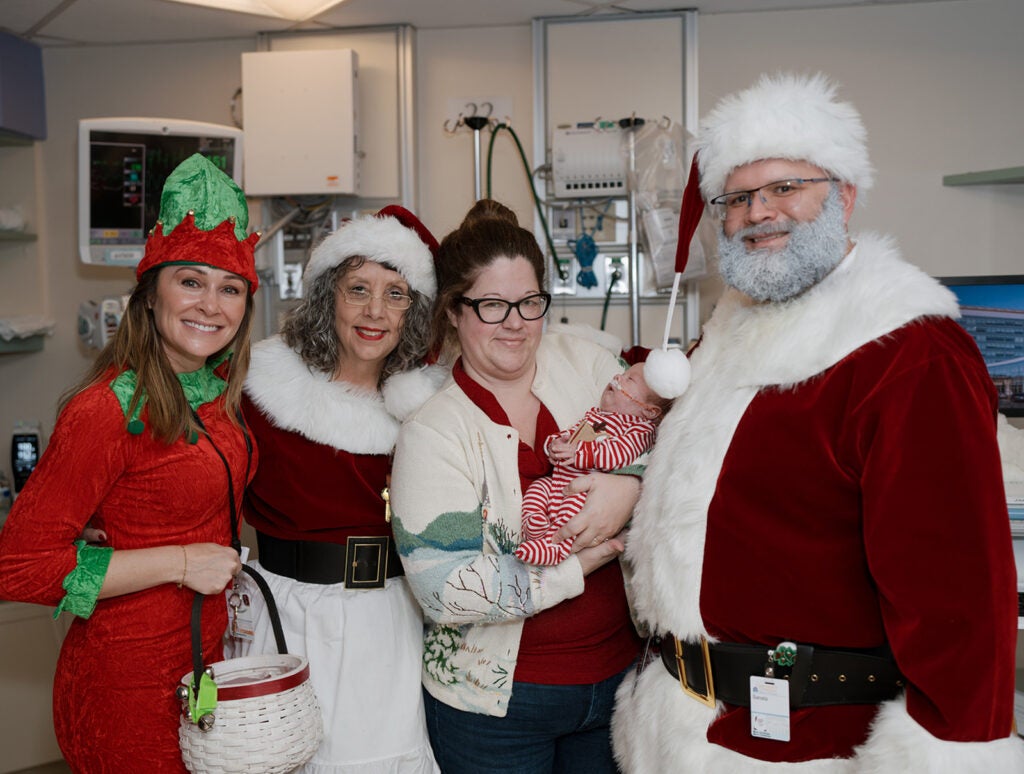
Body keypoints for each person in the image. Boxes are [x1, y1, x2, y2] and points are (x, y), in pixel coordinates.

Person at [613, 72, 1024, 772]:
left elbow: (959, 605)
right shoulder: (729, 332)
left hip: (812, 749)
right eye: (737, 197)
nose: (758, 213)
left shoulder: (906, 351)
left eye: (785, 188)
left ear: (845, 195)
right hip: (682, 730)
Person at [0, 153, 259, 771]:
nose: (211, 305)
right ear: (148, 295)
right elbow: (19, 567)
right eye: (190, 282)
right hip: (127, 687)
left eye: (230, 288)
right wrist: (179, 561)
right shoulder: (108, 408)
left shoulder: (218, 399)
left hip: (201, 667)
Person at [389, 199, 645, 774]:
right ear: (454, 311)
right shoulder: (434, 431)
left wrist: (628, 486)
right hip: (496, 707)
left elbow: (669, 438)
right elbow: (443, 591)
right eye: (492, 305)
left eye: (530, 303)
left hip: (618, 683)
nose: (516, 323)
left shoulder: (589, 364)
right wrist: (583, 563)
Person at [229, 206, 443, 773]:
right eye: (359, 289)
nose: (376, 311)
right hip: (286, 615)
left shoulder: (432, 410)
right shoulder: (260, 390)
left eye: (396, 294)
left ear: (414, 311)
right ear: (328, 297)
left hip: (390, 620)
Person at [515, 363, 669, 565]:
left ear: (649, 411)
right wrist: (555, 444)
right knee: (538, 488)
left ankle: (556, 548)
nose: (618, 377)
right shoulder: (596, 416)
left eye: (629, 379)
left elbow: (617, 454)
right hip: (559, 482)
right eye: (622, 373)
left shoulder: (640, 430)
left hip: (585, 490)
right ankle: (534, 523)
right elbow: (572, 435)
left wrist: (578, 453)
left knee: (573, 514)